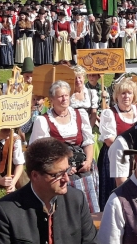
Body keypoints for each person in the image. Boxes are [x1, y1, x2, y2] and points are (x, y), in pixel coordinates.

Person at [29, 80, 99, 214]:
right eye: (60, 96)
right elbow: (43, 152)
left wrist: (89, 161)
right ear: (52, 99)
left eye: (66, 95)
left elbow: (88, 141)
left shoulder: (80, 114)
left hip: (83, 165)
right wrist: (64, 167)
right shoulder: (43, 120)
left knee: (89, 205)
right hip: (59, 171)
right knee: (67, 208)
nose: (64, 99)